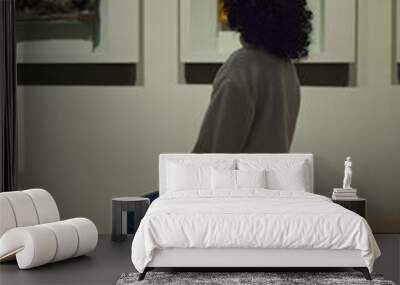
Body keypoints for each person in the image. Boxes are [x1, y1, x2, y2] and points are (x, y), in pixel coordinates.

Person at [193, 0, 313, 153]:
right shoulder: (285, 67)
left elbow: (218, 154)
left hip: (239, 176)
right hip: (271, 176)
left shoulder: (241, 68)